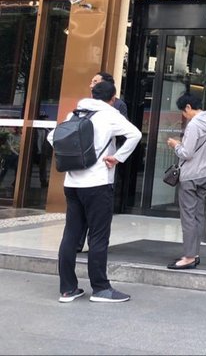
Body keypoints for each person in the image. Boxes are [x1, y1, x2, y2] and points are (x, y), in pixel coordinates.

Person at [48, 80, 141, 303]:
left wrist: (70, 158)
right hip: (98, 183)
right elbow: (135, 134)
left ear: (91, 93)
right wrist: (117, 158)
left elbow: (53, 136)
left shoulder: (76, 113)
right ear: (113, 98)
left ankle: (68, 289)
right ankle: (100, 288)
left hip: (72, 184)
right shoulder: (110, 114)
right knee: (98, 236)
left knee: (71, 235)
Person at [77, 71, 129, 253]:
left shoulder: (116, 106)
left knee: (97, 210)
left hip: (104, 164)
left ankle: (94, 243)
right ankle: (78, 242)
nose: (92, 85)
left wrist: (118, 156)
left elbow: (126, 133)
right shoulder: (84, 105)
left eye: (96, 82)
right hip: (84, 165)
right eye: (92, 81)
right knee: (81, 209)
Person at [165, 93, 206, 270]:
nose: (184, 116)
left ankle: (188, 257)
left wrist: (175, 145)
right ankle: (194, 253)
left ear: (188, 107)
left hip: (190, 175)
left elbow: (187, 153)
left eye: (184, 112)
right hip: (205, 174)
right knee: (198, 215)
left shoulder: (194, 125)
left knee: (188, 216)